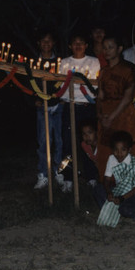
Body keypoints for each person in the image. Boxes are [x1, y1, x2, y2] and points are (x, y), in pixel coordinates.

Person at [95, 34, 135, 186]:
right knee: (108, 149)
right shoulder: (104, 71)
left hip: (123, 114)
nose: (107, 51)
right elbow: (100, 96)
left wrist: (111, 117)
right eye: (104, 48)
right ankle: (111, 183)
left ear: (119, 49)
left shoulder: (128, 70)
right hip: (106, 114)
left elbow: (127, 97)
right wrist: (100, 116)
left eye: (111, 47)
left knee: (129, 149)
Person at [58, 33, 101, 192]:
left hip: (86, 106)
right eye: (74, 43)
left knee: (88, 142)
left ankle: (91, 176)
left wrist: (84, 91)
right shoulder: (64, 62)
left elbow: (94, 86)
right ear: (70, 46)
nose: (78, 45)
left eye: (81, 42)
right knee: (67, 143)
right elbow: (61, 83)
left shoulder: (93, 61)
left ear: (86, 45)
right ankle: (68, 177)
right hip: (69, 106)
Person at [96, 130, 135, 227]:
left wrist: (122, 198)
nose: (119, 154)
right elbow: (107, 179)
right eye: (116, 150)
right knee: (98, 189)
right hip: (120, 190)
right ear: (112, 150)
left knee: (125, 210)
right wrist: (109, 193)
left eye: (123, 150)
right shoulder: (112, 159)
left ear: (129, 150)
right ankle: (116, 210)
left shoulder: (134, 164)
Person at [33, 31, 64, 189]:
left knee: (59, 140)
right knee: (44, 141)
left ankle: (59, 171)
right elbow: (29, 83)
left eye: (49, 41)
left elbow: (64, 82)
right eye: (43, 41)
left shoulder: (60, 62)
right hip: (42, 106)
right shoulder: (34, 62)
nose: (46, 44)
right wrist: (35, 99)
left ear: (53, 43)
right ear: (39, 43)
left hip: (58, 105)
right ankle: (43, 174)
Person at [80, 119, 99, 187]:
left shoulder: (101, 146)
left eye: (90, 132)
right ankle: (91, 179)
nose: (87, 136)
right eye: (84, 134)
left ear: (96, 132)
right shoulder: (84, 145)